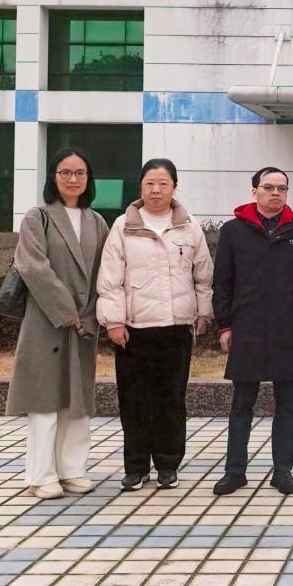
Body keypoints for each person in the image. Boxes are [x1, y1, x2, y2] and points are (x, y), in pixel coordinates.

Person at [97, 159, 214, 491]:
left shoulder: (188, 226)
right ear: (141, 187)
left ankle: (167, 465)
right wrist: (114, 321)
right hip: (134, 330)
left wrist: (202, 314)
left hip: (176, 328)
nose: (156, 190)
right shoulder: (123, 226)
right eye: (150, 183)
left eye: (163, 183)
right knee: (134, 401)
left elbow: (203, 275)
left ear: (174, 187)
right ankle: (135, 467)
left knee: (171, 400)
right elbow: (110, 279)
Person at [211, 167, 293, 496]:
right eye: (268, 187)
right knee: (241, 403)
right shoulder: (234, 231)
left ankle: (283, 470)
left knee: (287, 403)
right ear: (254, 192)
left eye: (282, 188)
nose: (276, 193)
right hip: (246, 328)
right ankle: (235, 471)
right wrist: (224, 325)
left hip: (288, 327)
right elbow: (223, 282)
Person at [7, 147, 109, 499]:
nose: (73, 179)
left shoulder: (97, 222)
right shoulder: (37, 218)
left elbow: (105, 273)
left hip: (84, 326)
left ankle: (72, 469)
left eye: (80, 173)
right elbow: (34, 267)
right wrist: (68, 312)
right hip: (46, 322)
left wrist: (90, 314)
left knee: (77, 401)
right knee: (44, 401)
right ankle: (41, 475)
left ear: (88, 179)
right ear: (54, 177)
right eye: (65, 172)